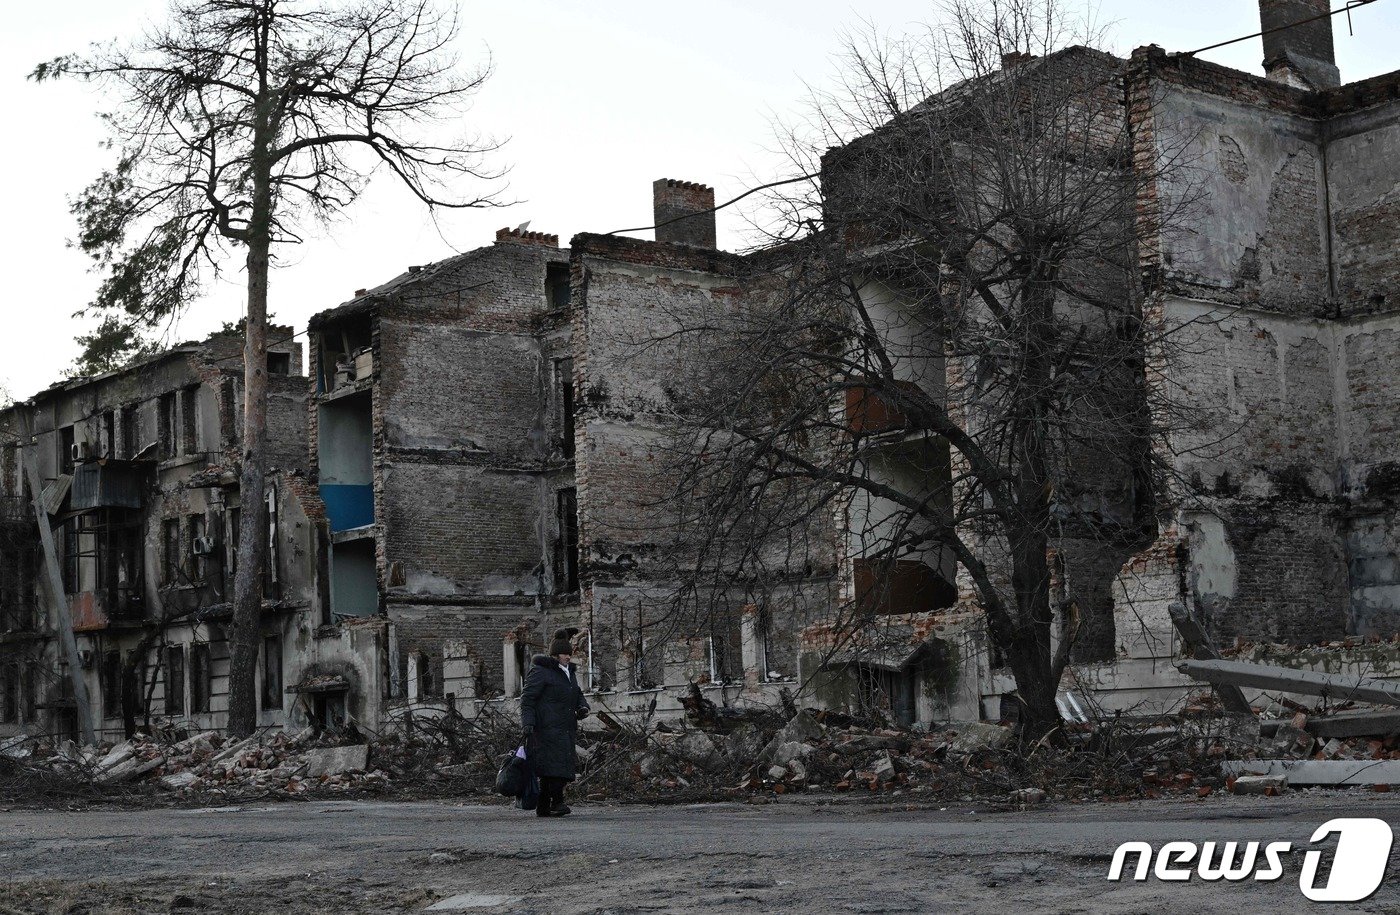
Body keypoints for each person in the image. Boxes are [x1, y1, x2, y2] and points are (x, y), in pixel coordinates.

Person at [520, 628, 589, 817]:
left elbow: (577, 694)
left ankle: (544, 805)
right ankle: (557, 803)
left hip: (565, 727)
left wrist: (583, 707)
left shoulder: (569, 673)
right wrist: (528, 723)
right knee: (553, 767)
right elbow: (527, 699)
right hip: (545, 728)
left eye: (569, 653)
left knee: (557, 767)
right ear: (555, 655)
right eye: (564, 654)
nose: (568, 657)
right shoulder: (541, 672)